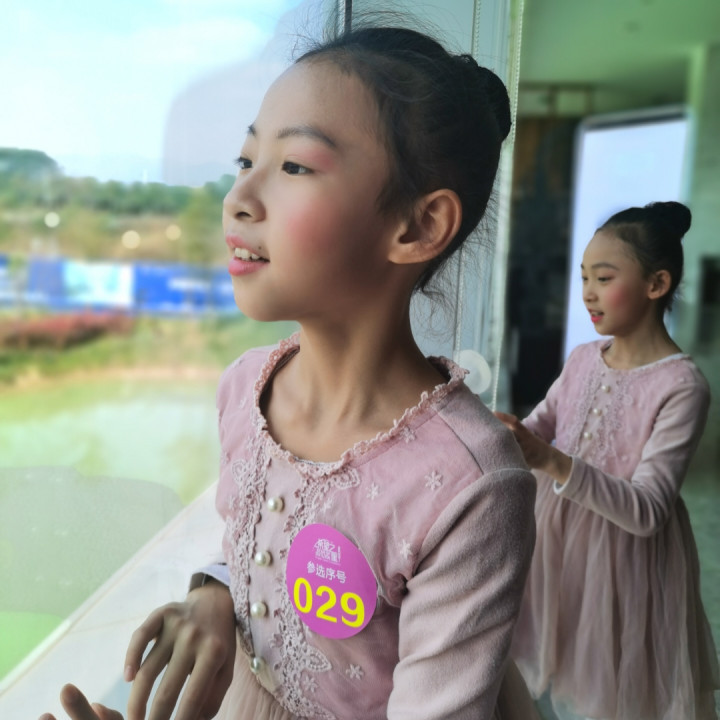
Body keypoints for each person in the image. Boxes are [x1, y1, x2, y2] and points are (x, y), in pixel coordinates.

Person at [40, 20, 539, 720]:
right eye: (246, 159)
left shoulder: (471, 485)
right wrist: (215, 592)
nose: (238, 197)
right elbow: (258, 543)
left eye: (295, 166)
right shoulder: (246, 390)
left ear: (418, 227)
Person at [496, 201, 720, 720]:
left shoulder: (681, 385)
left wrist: (550, 460)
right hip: (551, 543)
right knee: (537, 672)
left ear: (657, 284)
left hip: (621, 565)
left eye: (603, 277)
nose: (587, 293)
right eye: (584, 278)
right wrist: (502, 432)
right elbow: (539, 428)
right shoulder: (582, 359)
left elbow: (647, 511)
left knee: (604, 688)